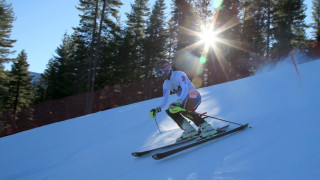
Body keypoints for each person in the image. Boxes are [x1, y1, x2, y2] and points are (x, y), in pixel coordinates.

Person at [149, 60, 216, 142]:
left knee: (184, 108)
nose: (160, 75)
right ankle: (189, 130)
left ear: (166, 69)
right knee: (170, 111)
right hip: (183, 100)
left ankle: (207, 128)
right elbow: (165, 99)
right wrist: (157, 109)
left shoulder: (179, 74)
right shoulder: (166, 84)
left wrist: (178, 102)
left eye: (160, 72)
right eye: (158, 73)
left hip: (194, 97)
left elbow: (185, 89)